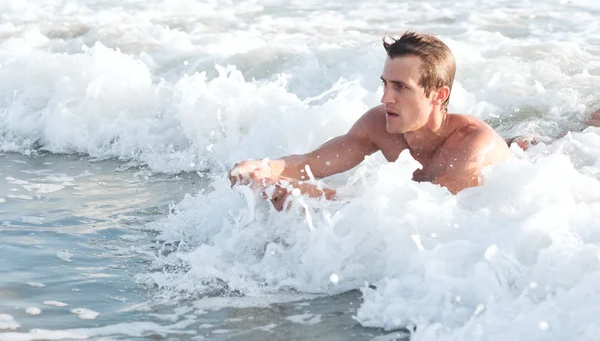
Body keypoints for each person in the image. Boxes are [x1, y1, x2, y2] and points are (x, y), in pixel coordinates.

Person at [229, 32, 599, 210]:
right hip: (496, 146)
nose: (385, 98)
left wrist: (309, 195)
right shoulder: (381, 123)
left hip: (521, 162)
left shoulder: (471, 149)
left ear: (438, 95)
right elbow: (312, 163)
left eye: (400, 88)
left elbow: (424, 209)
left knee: (566, 141)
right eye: (386, 84)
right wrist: (265, 167)